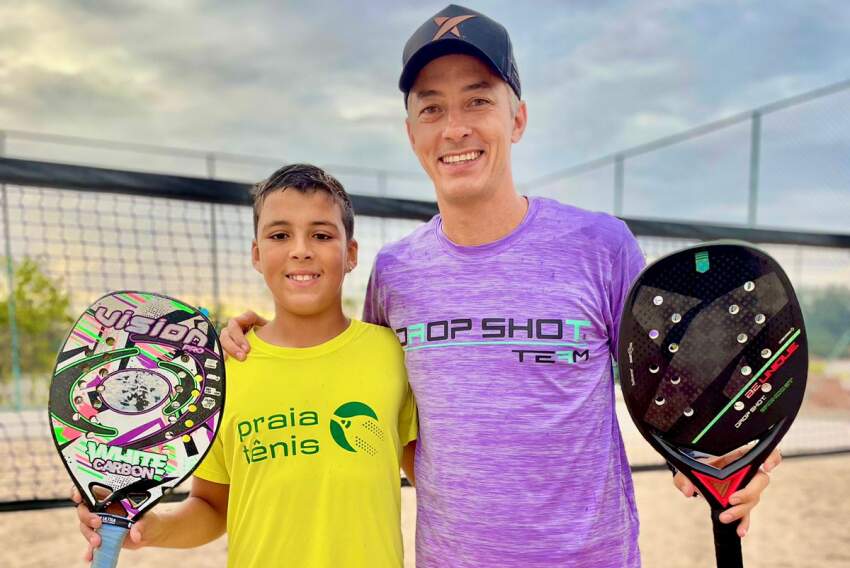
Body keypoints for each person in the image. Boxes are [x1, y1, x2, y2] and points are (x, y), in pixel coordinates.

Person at [221, 6, 780, 567]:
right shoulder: (395, 272)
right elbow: (371, 396)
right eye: (431, 108)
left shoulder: (601, 246)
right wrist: (252, 337)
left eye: (478, 99)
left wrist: (740, 462)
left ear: (517, 118)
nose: (454, 127)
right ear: (412, 132)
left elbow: (691, 396)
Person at [73, 164, 418, 567]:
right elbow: (212, 506)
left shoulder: (391, 355)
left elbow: (437, 475)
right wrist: (148, 529)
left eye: (321, 235)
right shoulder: (223, 371)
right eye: (279, 235)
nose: (300, 249)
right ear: (257, 254)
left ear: (351, 253)